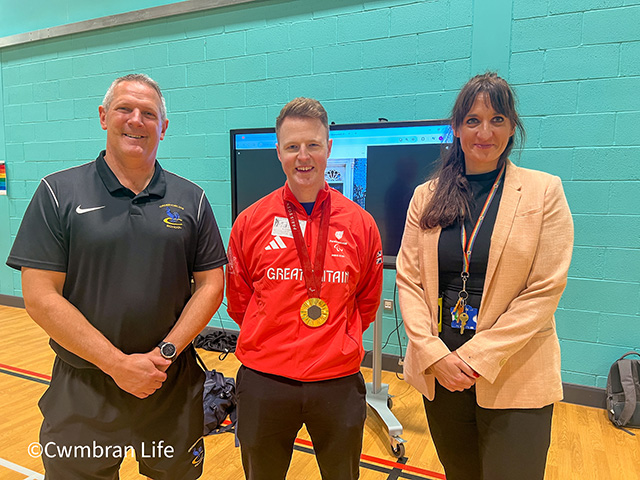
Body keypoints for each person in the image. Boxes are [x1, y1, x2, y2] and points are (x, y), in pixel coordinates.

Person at [6, 73, 227, 480]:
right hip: (85, 388)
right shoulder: (57, 192)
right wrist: (116, 363)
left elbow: (212, 285)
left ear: (164, 127)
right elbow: (40, 296)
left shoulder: (191, 198)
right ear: (104, 117)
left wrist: (163, 355)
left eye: (149, 113)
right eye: (125, 108)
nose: (136, 120)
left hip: (169, 385)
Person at [396, 72, 574, 480]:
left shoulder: (544, 191)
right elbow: (409, 280)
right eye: (473, 120)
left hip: (515, 371)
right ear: (456, 128)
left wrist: (475, 357)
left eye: (497, 119)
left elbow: (544, 291)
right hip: (442, 375)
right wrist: (434, 353)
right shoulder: (426, 195)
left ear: (512, 126)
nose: (484, 131)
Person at [226, 97, 383, 480]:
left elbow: (367, 300)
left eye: (313, 144)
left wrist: (336, 340)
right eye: (293, 146)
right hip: (265, 380)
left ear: (329, 148)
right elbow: (239, 301)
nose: (303, 156)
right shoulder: (250, 222)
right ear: (278, 151)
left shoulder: (361, 224)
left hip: (337, 381)